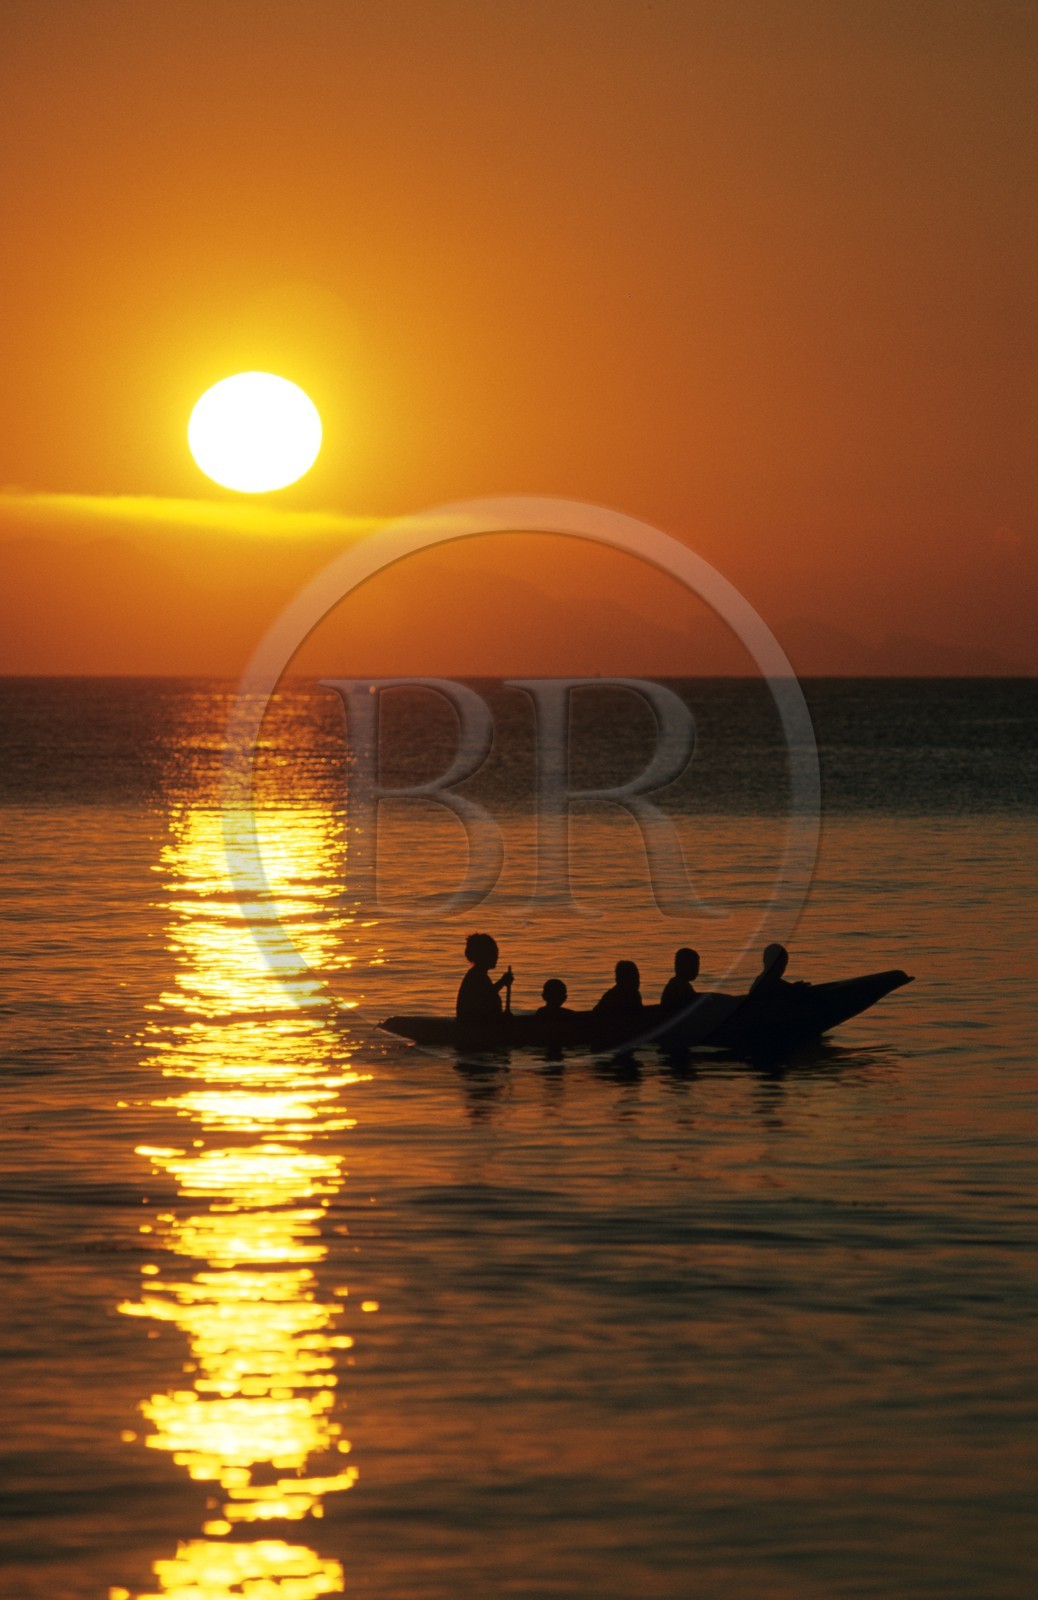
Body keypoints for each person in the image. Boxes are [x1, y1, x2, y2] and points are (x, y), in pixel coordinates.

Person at [456, 933, 513, 1030]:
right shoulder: (475, 977)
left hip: (482, 1024)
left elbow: (487, 993)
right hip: (476, 1027)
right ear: (483, 956)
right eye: (493, 953)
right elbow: (485, 996)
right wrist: (502, 982)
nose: (496, 957)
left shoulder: (479, 976)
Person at [659, 946, 700, 1015]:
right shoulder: (681, 987)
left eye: (697, 965)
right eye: (694, 965)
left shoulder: (675, 984)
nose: (697, 969)